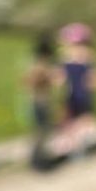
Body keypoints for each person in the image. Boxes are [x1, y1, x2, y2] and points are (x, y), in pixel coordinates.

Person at [59, 23, 96, 157]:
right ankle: (79, 148)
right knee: (83, 121)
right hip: (81, 94)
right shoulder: (89, 57)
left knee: (74, 121)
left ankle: (74, 148)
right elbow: (95, 80)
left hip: (73, 94)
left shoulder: (66, 57)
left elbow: (59, 78)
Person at [24, 33, 64, 170]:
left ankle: (38, 158)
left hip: (39, 101)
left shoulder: (36, 64)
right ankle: (39, 160)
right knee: (42, 132)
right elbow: (33, 82)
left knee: (41, 131)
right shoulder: (41, 66)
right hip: (41, 102)